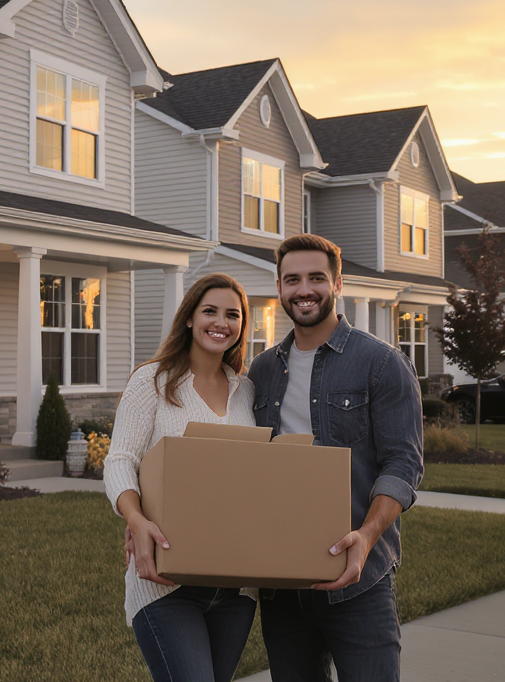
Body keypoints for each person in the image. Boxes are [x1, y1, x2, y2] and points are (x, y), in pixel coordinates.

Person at [248, 234, 425, 682]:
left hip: (360, 581)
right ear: (279, 286)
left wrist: (366, 537)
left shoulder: (381, 363)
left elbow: (403, 464)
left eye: (315, 278)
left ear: (338, 283)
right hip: (282, 585)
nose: (303, 289)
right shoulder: (263, 370)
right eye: (292, 279)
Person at [103, 273, 260, 682]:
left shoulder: (246, 391)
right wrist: (135, 521)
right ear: (189, 317)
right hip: (165, 580)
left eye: (233, 315)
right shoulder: (152, 381)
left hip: (237, 587)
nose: (220, 323)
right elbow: (119, 460)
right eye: (210, 311)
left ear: (243, 325)